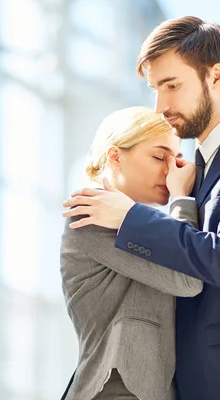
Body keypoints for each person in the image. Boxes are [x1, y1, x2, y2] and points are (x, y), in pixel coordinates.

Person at [62, 16, 220, 400]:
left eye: (172, 85)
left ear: (216, 77)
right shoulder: (191, 174)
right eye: (155, 89)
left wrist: (130, 217)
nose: (161, 105)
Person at [60, 106, 202, 400]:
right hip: (117, 390)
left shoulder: (143, 225)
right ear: (116, 157)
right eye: (159, 157)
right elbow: (188, 276)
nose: (171, 169)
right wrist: (181, 199)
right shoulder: (90, 215)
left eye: (176, 159)